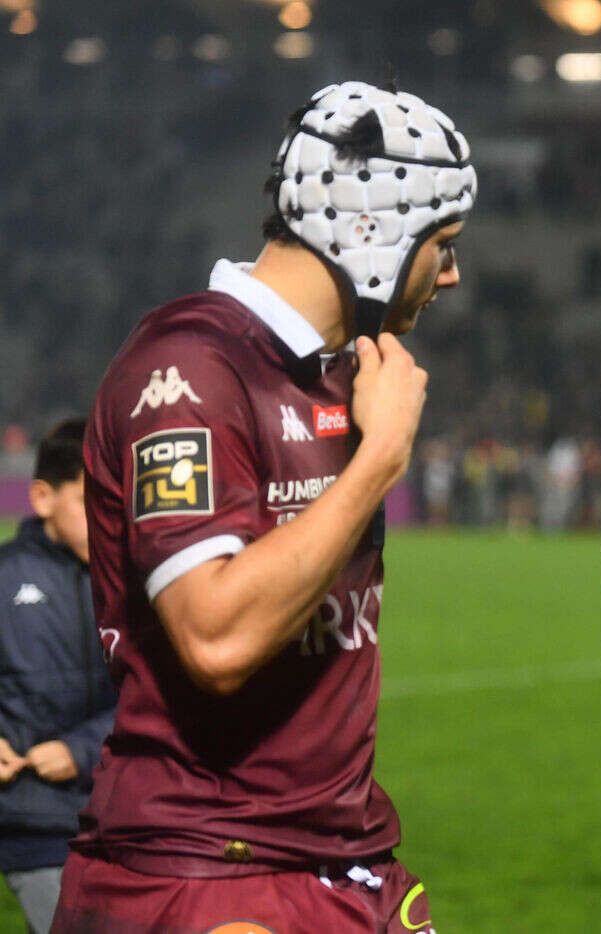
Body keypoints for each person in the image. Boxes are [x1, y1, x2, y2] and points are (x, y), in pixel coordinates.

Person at [52, 80, 476, 933]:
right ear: (376, 236)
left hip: (335, 859)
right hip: (206, 873)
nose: (454, 274)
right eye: (443, 244)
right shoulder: (186, 371)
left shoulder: (334, 373)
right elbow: (216, 637)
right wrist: (380, 461)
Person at [0, 418, 117, 933]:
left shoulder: (141, 583)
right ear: (43, 497)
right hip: (34, 822)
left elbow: (162, 693)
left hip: (129, 815)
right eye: (91, 501)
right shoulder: (4, 577)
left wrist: (82, 750)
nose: (109, 518)